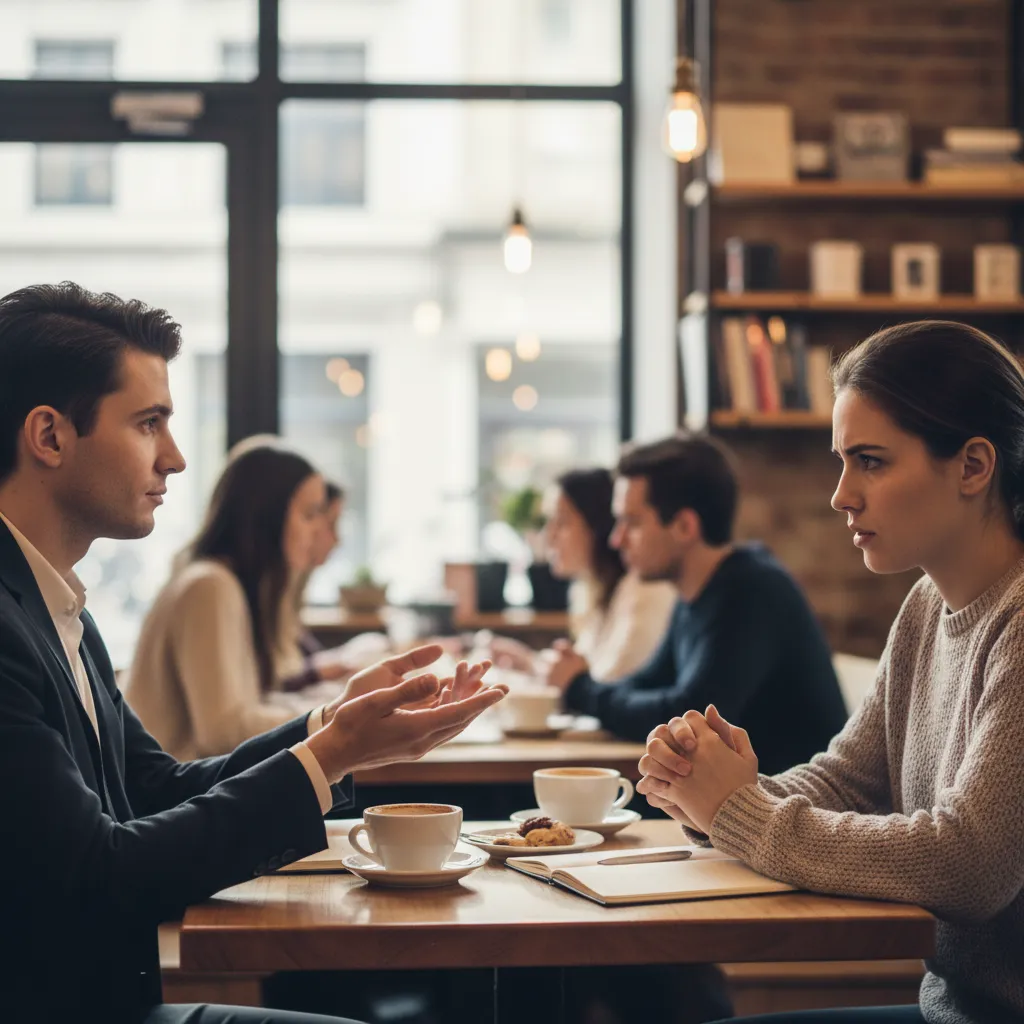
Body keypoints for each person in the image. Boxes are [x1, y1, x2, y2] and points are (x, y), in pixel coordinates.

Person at [0, 281, 506, 1023]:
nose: (174, 457)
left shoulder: (55, 604)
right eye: (148, 424)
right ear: (48, 437)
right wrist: (331, 754)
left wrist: (331, 729)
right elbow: (98, 875)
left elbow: (159, 787)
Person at [639, 320, 1024, 1024]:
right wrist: (715, 793)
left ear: (973, 466)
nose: (841, 494)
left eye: (870, 461)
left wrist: (739, 812)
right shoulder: (926, 605)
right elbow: (852, 779)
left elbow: (971, 864)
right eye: (842, 461)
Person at [545, 433, 847, 776]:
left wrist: (580, 688)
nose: (616, 540)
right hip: (731, 805)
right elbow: (647, 683)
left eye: (632, 522)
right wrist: (582, 683)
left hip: (786, 813)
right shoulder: (696, 591)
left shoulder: (750, 590)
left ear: (685, 526)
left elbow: (688, 718)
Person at [126, 444, 349, 758]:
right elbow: (223, 732)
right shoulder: (209, 587)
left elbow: (254, 704)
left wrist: (340, 706)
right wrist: (338, 714)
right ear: (265, 514)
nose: (319, 532)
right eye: (310, 514)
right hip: (176, 795)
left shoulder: (230, 586)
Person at [488, 468, 676, 682]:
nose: (549, 537)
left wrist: (536, 666)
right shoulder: (589, 590)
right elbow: (586, 677)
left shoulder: (645, 591)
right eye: (548, 523)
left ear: (598, 525)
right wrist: (530, 663)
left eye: (562, 522)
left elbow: (609, 684)